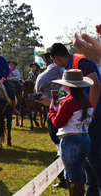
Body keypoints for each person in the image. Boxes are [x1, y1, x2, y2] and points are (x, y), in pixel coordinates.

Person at [49, 42, 101, 195]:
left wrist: (90, 111)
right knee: (88, 160)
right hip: (87, 121)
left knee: (90, 160)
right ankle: (91, 191)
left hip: (90, 120)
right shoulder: (73, 66)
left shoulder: (80, 62)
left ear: (56, 58)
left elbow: (96, 85)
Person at [43, 69, 93, 196]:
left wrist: (51, 111)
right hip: (85, 139)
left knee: (74, 176)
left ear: (68, 85)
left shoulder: (68, 101)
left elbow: (58, 122)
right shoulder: (86, 101)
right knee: (75, 173)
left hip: (71, 140)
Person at [34, 48, 67, 189]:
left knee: (59, 145)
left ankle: (64, 178)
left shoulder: (43, 76)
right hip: (71, 110)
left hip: (54, 112)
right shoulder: (70, 71)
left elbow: (37, 91)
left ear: (48, 59)